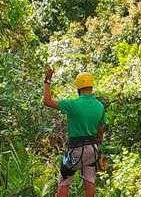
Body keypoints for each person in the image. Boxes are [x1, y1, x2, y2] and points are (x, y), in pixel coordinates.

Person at [43, 66, 107, 197]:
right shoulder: (100, 106)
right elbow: (101, 131)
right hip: (93, 149)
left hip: (76, 150)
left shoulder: (72, 104)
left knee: (64, 181)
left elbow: (47, 101)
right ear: (91, 87)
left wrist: (47, 81)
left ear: (78, 88)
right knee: (90, 181)